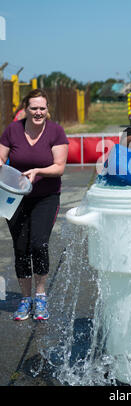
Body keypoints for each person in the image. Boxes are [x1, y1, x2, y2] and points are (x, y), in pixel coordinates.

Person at [0, 89, 69, 321]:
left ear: (47, 109)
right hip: (16, 198)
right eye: (34, 108)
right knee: (20, 248)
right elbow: (1, 157)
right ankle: (25, 298)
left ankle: (40, 296)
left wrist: (38, 171)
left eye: (42, 108)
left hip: (46, 197)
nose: (38, 112)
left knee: (39, 244)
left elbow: (59, 166)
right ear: (25, 109)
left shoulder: (56, 131)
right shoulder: (13, 130)